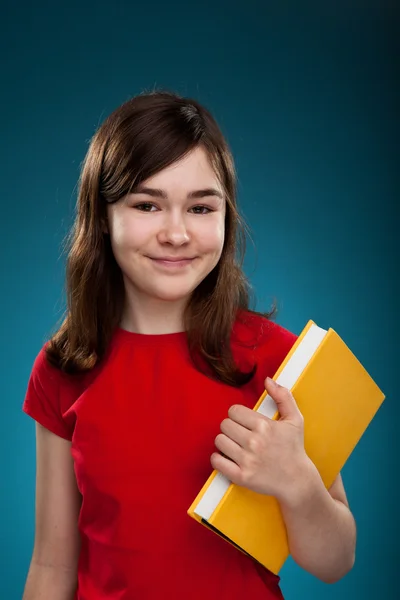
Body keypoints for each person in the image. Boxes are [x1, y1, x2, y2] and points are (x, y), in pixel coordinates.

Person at [21, 90, 356, 600]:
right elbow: (51, 562)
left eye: (200, 207)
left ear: (226, 216)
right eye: (147, 204)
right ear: (103, 215)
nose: (176, 233)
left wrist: (298, 482)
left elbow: (335, 562)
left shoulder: (280, 360)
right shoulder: (63, 366)